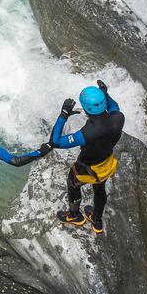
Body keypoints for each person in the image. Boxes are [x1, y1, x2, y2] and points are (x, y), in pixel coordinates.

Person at [50, 79, 124, 233]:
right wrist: (105, 93)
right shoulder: (119, 118)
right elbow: (113, 106)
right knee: (99, 188)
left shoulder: (86, 134)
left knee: (73, 184)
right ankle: (97, 222)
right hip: (106, 163)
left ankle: (75, 215)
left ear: (85, 108)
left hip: (86, 168)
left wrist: (63, 115)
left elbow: (55, 141)